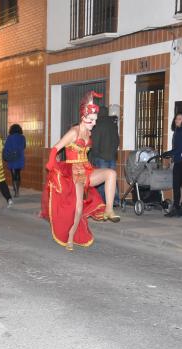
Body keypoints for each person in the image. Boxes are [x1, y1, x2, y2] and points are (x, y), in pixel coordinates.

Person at [41, 91, 119, 251]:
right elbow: (56, 148)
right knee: (78, 208)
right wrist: (51, 164)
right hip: (73, 172)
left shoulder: (89, 132)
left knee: (111, 173)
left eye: (95, 120)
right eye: (91, 120)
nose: (94, 123)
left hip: (86, 168)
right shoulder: (73, 132)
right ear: (83, 117)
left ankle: (109, 209)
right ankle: (70, 237)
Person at [162, 112, 182, 217]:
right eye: (176, 118)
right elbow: (177, 148)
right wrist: (172, 156)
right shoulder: (177, 131)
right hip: (178, 161)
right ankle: (176, 207)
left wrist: (169, 153)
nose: (177, 120)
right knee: (176, 185)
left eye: (179, 119)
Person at [89, 105, 120, 205]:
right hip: (111, 156)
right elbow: (117, 140)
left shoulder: (98, 124)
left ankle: (102, 201)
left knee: (102, 180)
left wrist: (95, 155)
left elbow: (95, 141)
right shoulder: (113, 124)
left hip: (101, 157)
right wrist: (113, 151)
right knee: (112, 178)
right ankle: (115, 200)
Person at [3, 123, 26, 197]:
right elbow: (24, 146)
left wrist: (6, 155)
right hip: (19, 157)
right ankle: (17, 190)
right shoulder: (22, 137)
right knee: (18, 174)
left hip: (12, 157)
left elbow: (6, 147)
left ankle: (16, 192)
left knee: (13, 175)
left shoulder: (10, 137)